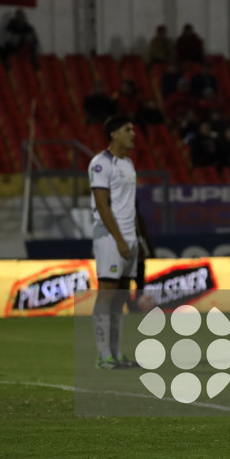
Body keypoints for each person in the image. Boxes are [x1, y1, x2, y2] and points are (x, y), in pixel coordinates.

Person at [88, 115, 148, 369]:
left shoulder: (128, 163)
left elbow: (129, 206)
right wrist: (120, 239)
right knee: (107, 293)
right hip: (110, 238)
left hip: (129, 238)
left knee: (120, 297)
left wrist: (136, 238)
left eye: (133, 129)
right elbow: (102, 205)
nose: (133, 134)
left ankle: (116, 353)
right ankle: (104, 356)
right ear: (113, 134)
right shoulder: (101, 164)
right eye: (128, 129)